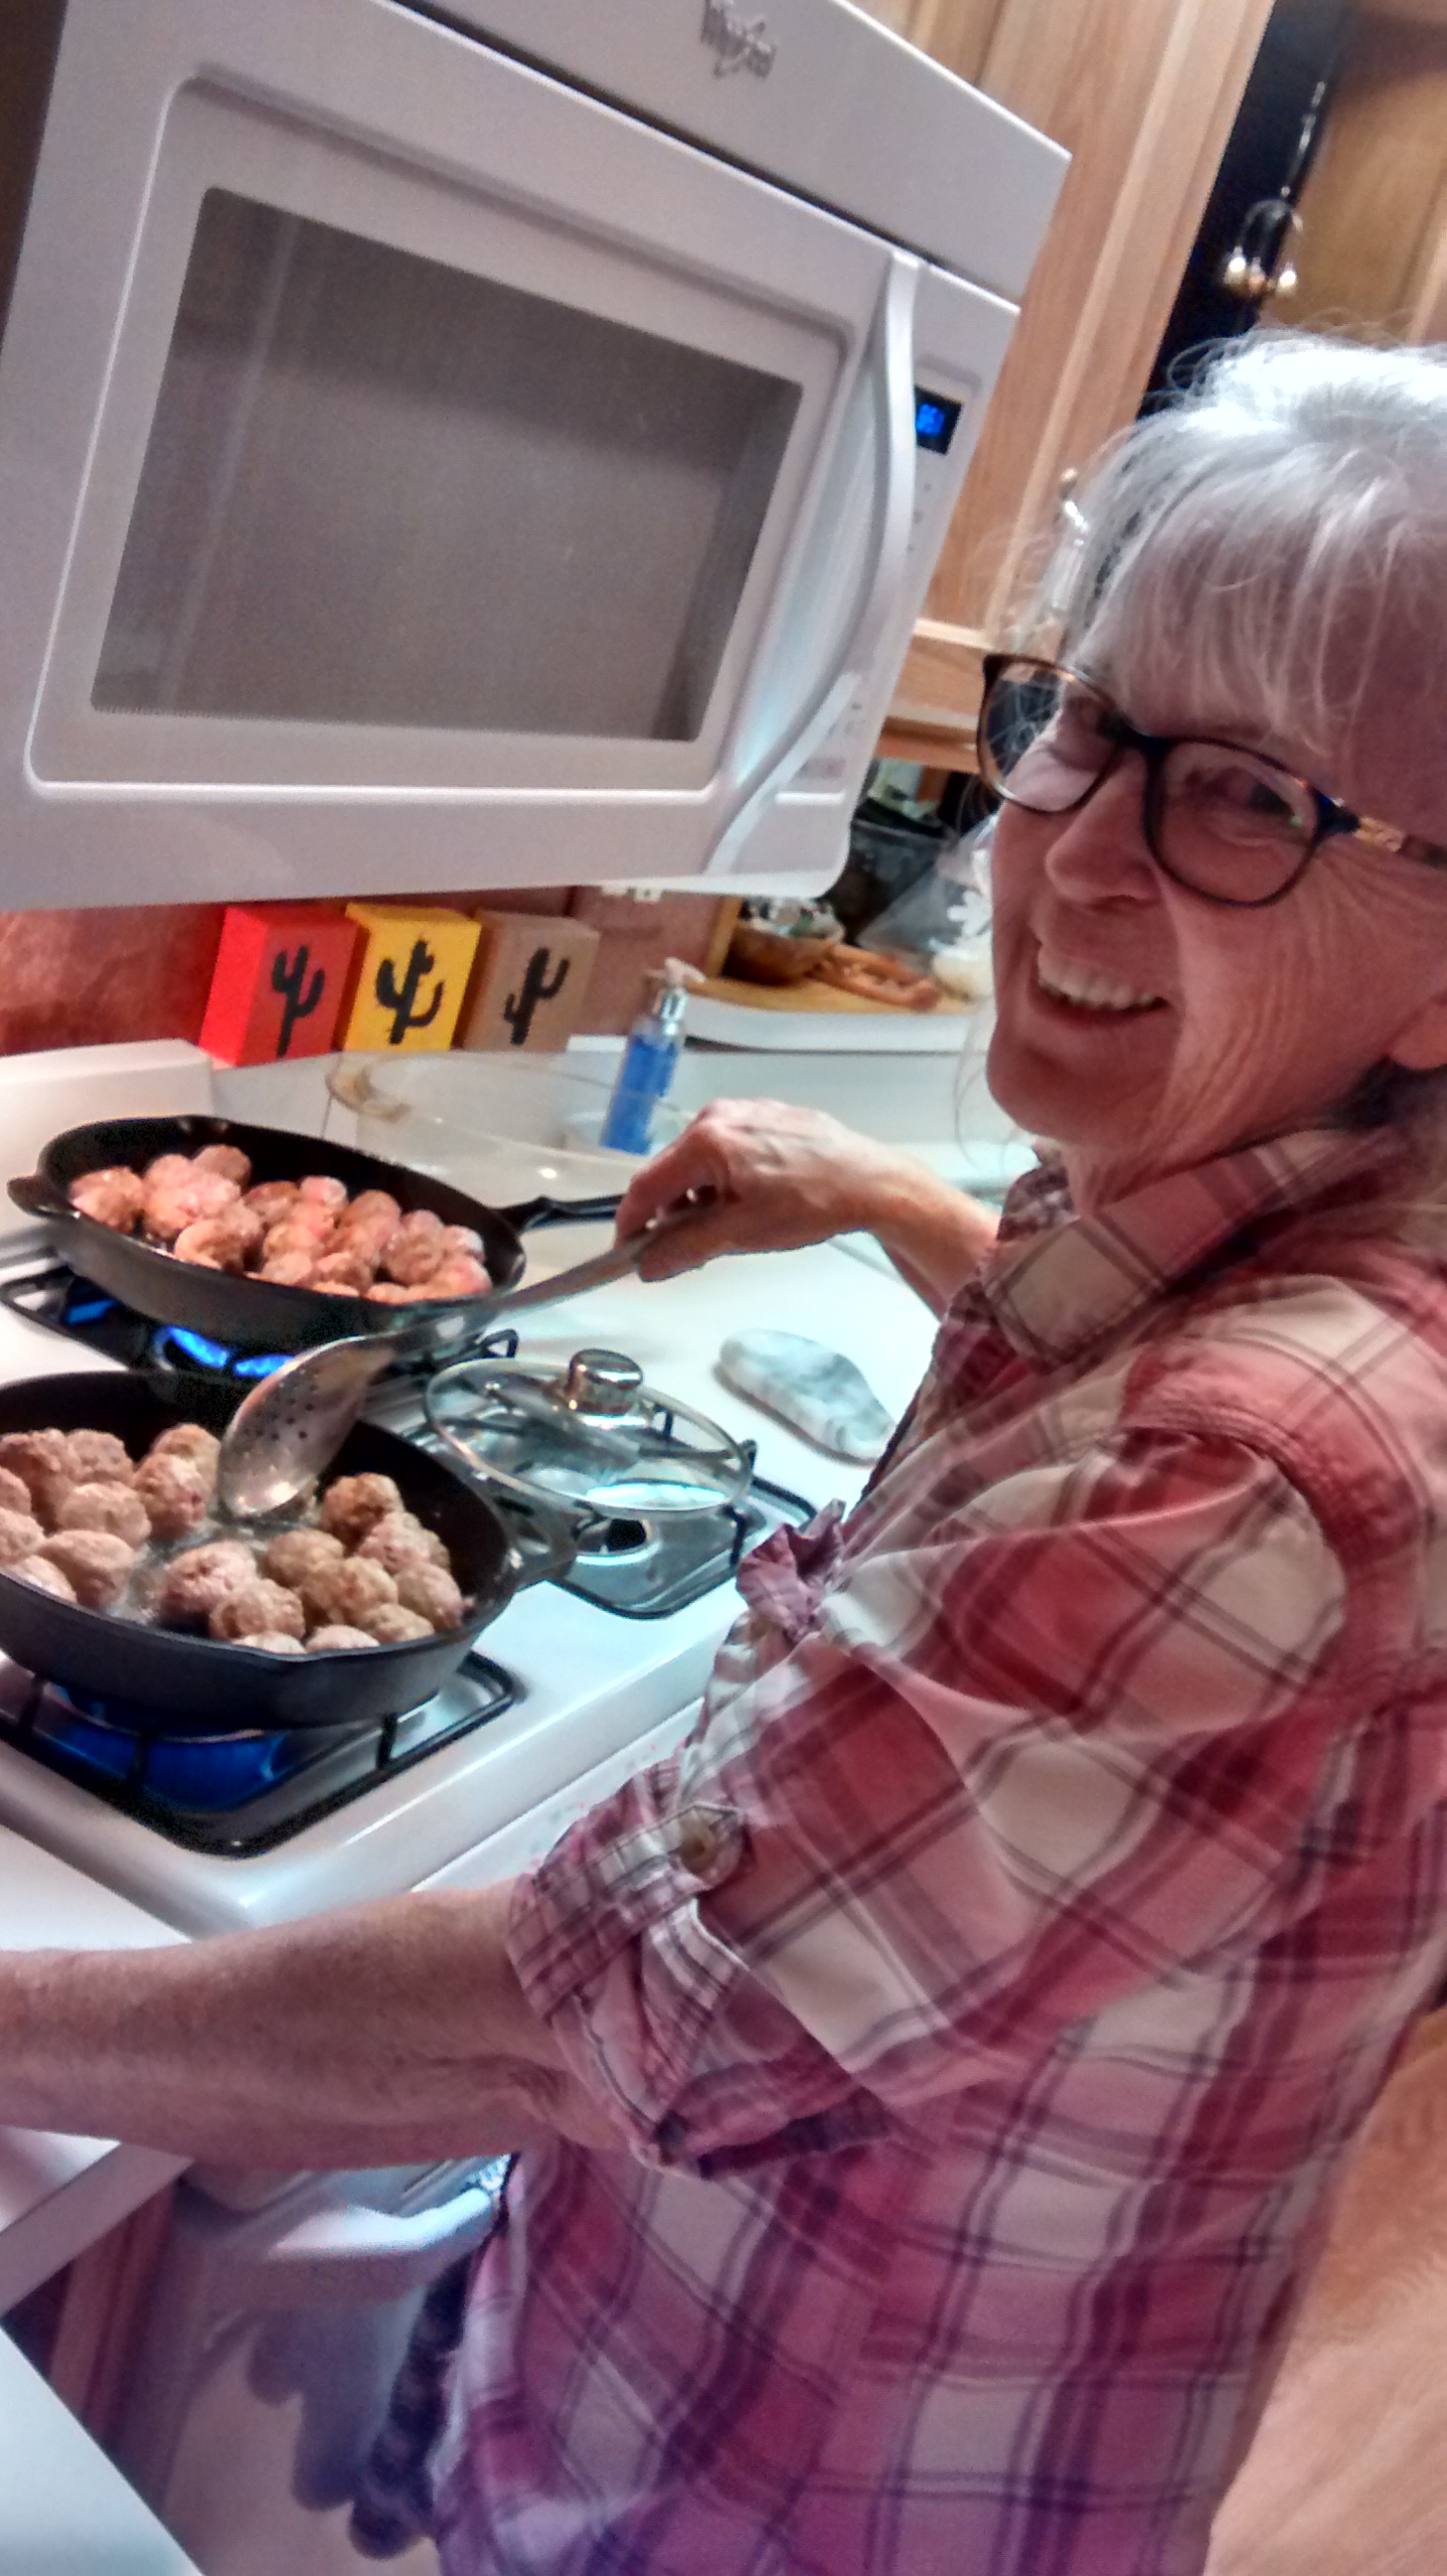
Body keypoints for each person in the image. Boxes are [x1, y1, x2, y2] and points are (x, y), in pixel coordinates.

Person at [8, 328, 1447, 2575]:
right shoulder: (1265, 1186)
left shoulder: (1267, 1474)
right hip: (731, 2386)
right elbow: (1125, 1392)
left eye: (1253, 798)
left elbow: (549, 2035)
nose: (1067, 855)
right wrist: (892, 1206)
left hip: (794, 2503)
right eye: (1086, 721)